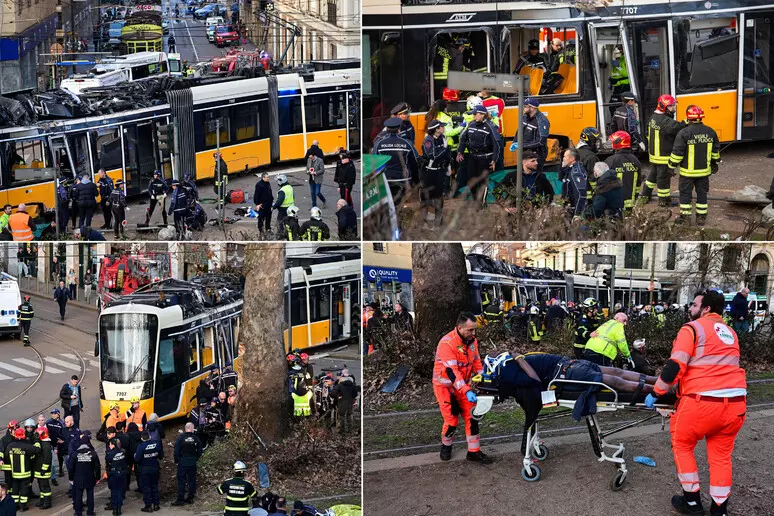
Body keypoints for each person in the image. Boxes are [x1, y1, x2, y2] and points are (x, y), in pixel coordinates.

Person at [645, 290, 747, 516]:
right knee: (721, 458)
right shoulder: (730, 333)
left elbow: (675, 366)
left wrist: (657, 392)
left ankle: (692, 502)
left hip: (702, 404)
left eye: (694, 305)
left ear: (706, 309)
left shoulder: (692, 329)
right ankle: (719, 510)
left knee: (682, 445)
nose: (690, 309)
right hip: (736, 406)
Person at [433, 312, 490, 463]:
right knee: (451, 421)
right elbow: (452, 373)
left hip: (463, 386)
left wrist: (484, 379)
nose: (473, 333)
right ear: (460, 328)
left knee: (472, 417)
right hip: (445, 388)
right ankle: (446, 446)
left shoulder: (472, 342)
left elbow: (476, 362)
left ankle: (473, 452)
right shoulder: (447, 344)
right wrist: (467, 390)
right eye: (470, 330)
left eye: (474, 330)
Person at [668, 105, 720, 226]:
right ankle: (701, 219)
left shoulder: (684, 133)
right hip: (704, 173)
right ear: (701, 117)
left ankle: (685, 219)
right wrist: (714, 164)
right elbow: (715, 152)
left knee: (685, 195)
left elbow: (677, 153)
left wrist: (671, 166)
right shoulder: (710, 131)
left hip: (687, 173)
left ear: (689, 118)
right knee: (702, 195)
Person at [640, 94, 685, 206]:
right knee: (663, 179)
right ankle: (664, 201)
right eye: (671, 106)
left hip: (654, 156)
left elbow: (647, 134)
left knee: (652, 177)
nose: (673, 108)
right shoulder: (665, 121)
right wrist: (687, 121)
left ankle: (644, 196)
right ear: (663, 107)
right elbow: (677, 127)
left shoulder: (653, 117)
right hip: (663, 157)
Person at [457, 105, 500, 202]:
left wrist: (494, 160)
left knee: (482, 181)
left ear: (482, 115)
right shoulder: (471, 124)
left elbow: (496, 144)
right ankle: (475, 199)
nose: (474, 116)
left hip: (485, 158)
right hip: (473, 156)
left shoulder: (491, 126)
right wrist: (460, 151)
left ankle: (481, 202)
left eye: (476, 114)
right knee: (471, 180)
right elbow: (463, 138)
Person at [372, 117, 419, 203]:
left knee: (389, 205)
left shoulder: (379, 144)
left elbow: (374, 164)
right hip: (403, 180)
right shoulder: (407, 143)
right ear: (399, 129)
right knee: (400, 203)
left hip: (386, 181)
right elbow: (415, 163)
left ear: (387, 129)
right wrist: (415, 181)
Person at [420, 119, 450, 225]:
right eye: (442, 126)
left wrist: (447, 165)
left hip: (439, 172)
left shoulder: (442, 138)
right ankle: (425, 219)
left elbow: (447, 155)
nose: (444, 128)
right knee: (426, 195)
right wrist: (444, 149)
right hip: (428, 173)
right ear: (436, 129)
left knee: (439, 195)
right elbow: (433, 155)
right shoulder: (428, 140)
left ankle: (438, 217)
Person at [605, 131, 642, 211]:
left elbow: (603, 181)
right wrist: (635, 196)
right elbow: (638, 183)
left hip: (614, 204)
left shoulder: (611, 160)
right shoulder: (635, 160)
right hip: (630, 204)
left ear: (618, 143)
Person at [68, 433, 100, 516]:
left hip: (78, 479)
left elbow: (71, 467)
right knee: (90, 496)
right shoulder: (93, 453)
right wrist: (97, 478)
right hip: (90, 478)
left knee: (78, 496)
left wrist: (71, 478)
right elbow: (97, 467)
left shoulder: (75, 454)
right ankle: (90, 512)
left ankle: (78, 513)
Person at [517, 98, 550, 173]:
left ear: (532, 108)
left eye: (525, 106)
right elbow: (519, 131)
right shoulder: (525, 117)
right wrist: (515, 141)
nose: (523, 108)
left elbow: (541, 141)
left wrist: (523, 145)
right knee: (523, 174)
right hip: (525, 152)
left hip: (537, 154)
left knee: (535, 176)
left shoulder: (542, 121)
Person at [172, 423, 202, 506]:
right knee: (192, 480)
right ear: (192, 429)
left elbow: (176, 450)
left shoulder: (181, 438)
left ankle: (180, 499)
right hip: (192, 463)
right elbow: (200, 451)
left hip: (183, 462)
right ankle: (190, 498)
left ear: (185, 429)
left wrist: (176, 460)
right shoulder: (196, 438)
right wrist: (195, 459)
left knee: (181, 480)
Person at [7, 427, 36, 511]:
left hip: (14, 474)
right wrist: (37, 442)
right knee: (24, 490)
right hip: (25, 473)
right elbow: (35, 451)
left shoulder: (10, 446)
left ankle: (15, 505)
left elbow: (6, 457)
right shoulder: (27, 446)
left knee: (15, 490)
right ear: (24, 436)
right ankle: (23, 506)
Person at [134, 431, 163, 512]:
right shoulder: (156, 444)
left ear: (142, 438)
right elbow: (161, 456)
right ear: (149, 437)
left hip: (145, 470)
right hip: (155, 468)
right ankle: (156, 504)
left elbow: (137, 459)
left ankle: (148, 506)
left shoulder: (141, 446)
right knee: (155, 486)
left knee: (146, 488)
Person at [559, 148, 587, 219]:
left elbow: (581, 194)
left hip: (574, 208)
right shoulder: (570, 169)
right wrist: (562, 167)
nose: (563, 158)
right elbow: (561, 179)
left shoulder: (576, 172)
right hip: (569, 207)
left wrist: (578, 213)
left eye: (565, 156)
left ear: (572, 158)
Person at [577, 128, 601, 202]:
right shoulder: (591, 157)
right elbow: (593, 178)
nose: (598, 144)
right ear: (590, 140)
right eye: (596, 141)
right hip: (587, 197)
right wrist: (599, 192)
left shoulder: (572, 153)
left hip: (574, 195)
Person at [105, 438, 127, 516]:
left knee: (114, 492)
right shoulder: (123, 452)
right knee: (120, 491)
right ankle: (119, 509)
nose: (109, 446)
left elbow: (108, 463)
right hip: (122, 473)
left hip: (113, 474)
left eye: (110, 444)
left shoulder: (109, 454)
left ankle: (115, 509)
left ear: (113, 445)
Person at [33, 428, 53, 510]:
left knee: (45, 487)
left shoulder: (46, 445)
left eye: (37, 434)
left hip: (43, 471)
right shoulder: (41, 443)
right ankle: (42, 500)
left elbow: (47, 459)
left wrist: (44, 470)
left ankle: (47, 502)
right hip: (39, 470)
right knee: (41, 487)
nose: (36, 436)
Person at [45, 410, 65, 477]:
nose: (53, 415)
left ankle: (60, 470)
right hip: (50, 442)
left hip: (59, 443)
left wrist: (61, 440)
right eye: (52, 413)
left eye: (54, 414)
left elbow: (63, 434)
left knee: (60, 456)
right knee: (49, 457)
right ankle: (50, 471)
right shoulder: (48, 422)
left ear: (58, 414)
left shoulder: (61, 423)